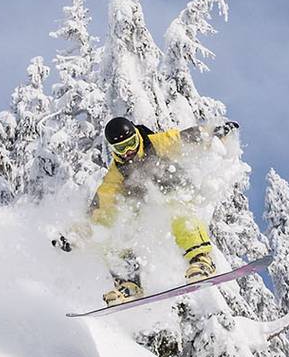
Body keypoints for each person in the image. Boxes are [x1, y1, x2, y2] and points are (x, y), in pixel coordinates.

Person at [56, 115, 239, 305]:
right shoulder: (116, 174)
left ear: (137, 136)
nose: (128, 152)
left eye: (131, 143)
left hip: (174, 190)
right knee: (114, 228)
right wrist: (78, 234)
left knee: (177, 213)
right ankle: (129, 283)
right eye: (121, 148)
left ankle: (201, 260)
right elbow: (99, 207)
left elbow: (186, 137)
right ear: (113, 151)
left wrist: (213, 133)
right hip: (144, 206)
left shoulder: (156, 144)